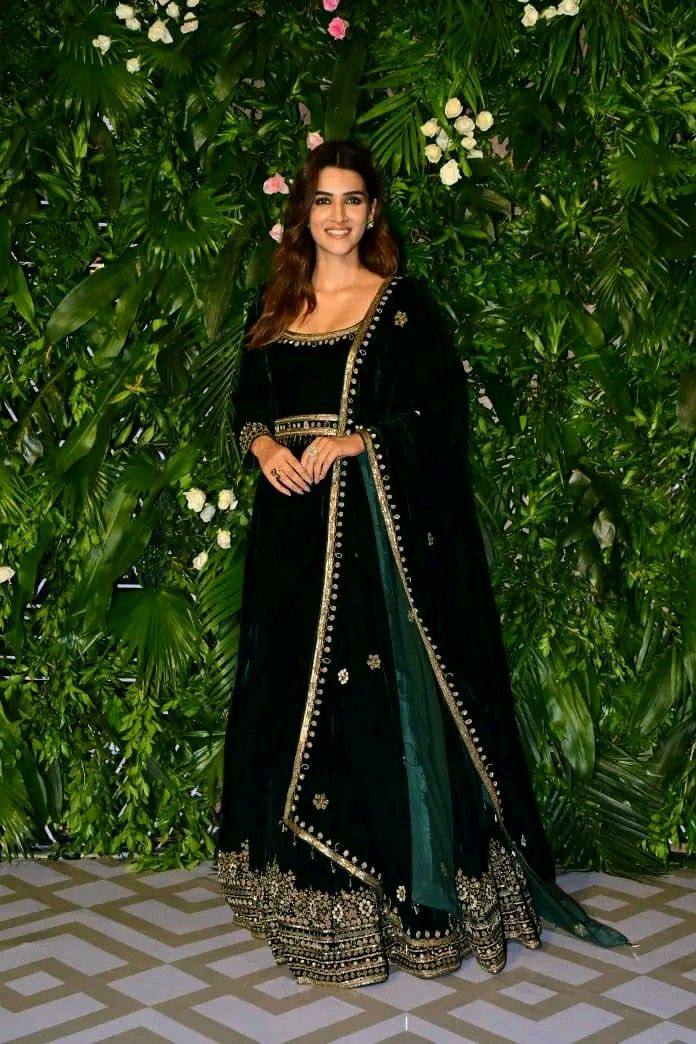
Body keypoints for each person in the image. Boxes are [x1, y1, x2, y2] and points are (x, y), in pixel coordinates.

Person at [214, 139, 630, 988]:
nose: (337, 217)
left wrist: (360, 441)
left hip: (372, 549)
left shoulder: (400, 308)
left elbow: (439, 417)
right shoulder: (278, 304)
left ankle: (406, 908)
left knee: (374, 717)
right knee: (290, 707)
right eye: (323, 201)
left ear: (373, 212)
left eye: (352, 201)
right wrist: (263, 447)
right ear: (303, 213)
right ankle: (315, 907)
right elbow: (250, 402)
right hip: (291, 545)